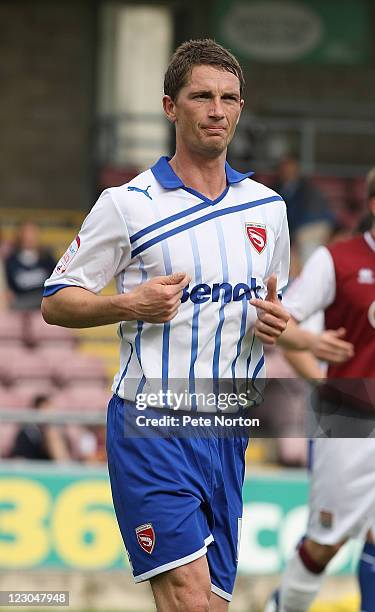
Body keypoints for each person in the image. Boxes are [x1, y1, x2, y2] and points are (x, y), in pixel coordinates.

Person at [42, 39, 291, 610]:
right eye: (201, 96)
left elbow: (276, 308)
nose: (217, 109)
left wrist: (278, 323)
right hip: (151, 419)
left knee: (213, 602)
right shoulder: (128, 203)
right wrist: (130, 306)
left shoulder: (267, 209)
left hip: (227, 424)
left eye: (229, 98)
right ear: (169, 107)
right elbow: (57, 300)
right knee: (188, 596)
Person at [265, 167, 375, 612]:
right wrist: (324, 383)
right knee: (324, 543)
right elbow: (283, 323)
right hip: (349, 417)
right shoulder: (338, 260)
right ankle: (281, 608)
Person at [272, 155, 333, 263]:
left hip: (311, 226)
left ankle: (310, 275)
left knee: (306, 243)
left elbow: (314, 214)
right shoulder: (275, 188)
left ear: (297, 170)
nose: (288, 172)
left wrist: (293, 234)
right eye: (285, 169)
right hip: (289, 229)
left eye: (291, 169)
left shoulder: (307, 188)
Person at [5, 222, 56, 310]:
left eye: (32, 233)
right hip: (21, 304)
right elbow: (8, 288)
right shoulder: (10, 261)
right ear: (19, 235)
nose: (29, 237)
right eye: (25, 233)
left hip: (45, 303)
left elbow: (56, 280)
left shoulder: (47, 258)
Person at [9, 394, 71, 462]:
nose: (50, 412)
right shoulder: (27, 433)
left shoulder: (58, 431)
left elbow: (63, 456)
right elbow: (21, 458)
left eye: (51, 407)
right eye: (46, 408)